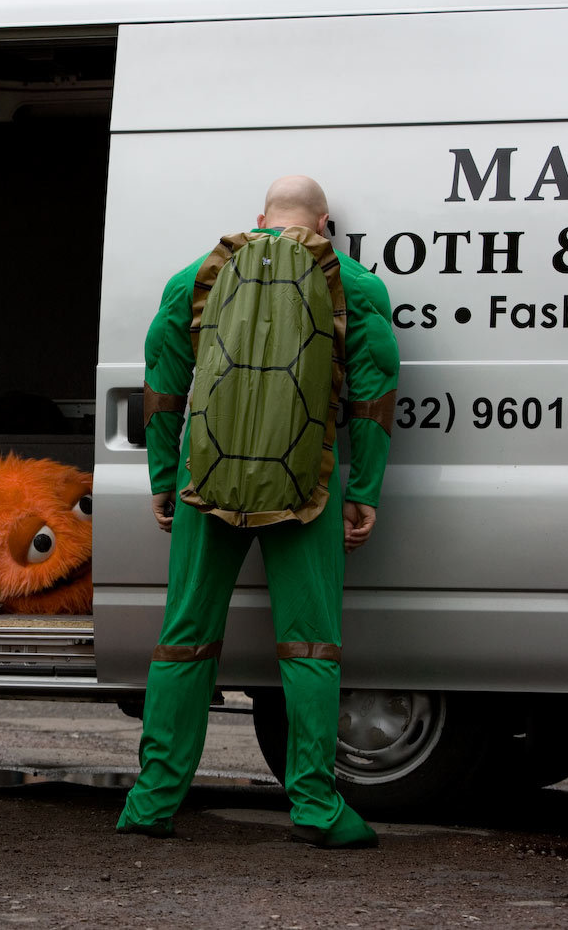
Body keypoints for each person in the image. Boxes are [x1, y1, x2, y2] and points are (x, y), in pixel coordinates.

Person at [115, 175, 399, 849]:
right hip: (307, 487)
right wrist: (365, 494)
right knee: (309, 645)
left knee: (185, 638)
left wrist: (162, 477)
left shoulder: (196, 274)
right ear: (324, 224)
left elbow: (162, 381)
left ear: (260, 217)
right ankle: (315, 804)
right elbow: (375, 393)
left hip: (203, 481)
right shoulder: (356, 286)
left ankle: (152, 801)